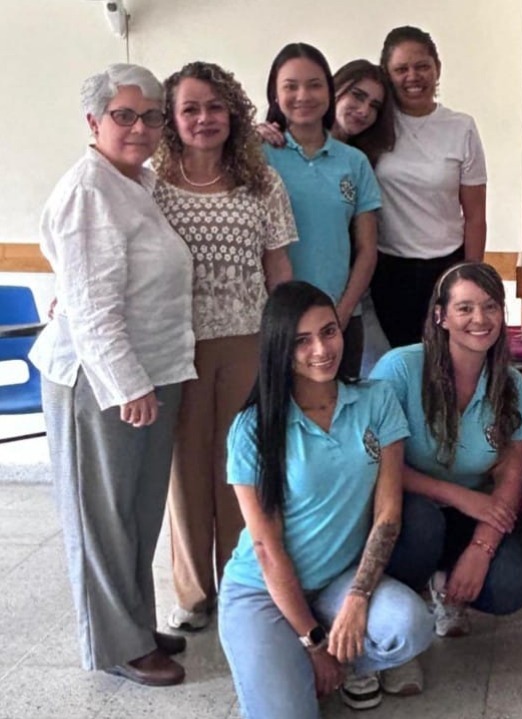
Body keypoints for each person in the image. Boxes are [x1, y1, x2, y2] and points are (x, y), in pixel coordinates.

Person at [30, 63, 196, 686]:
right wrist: (126, 384)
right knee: (102, 518)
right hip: (99, 383)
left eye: (152, 116)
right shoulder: (88, 191)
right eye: (124, 115)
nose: (140, 127)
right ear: (94, 121)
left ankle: (131, 619)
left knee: (135, 513)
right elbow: (94, 307)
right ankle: (117, 644)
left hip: (150, 371)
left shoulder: (139, 183)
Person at [218, 281, 433, 717]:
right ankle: (299, 662)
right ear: (281, 348)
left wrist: (357, 598)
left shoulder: (376, 400)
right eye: (302, 340)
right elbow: (264, 548)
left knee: (412, 626)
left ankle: (340, 660)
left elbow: (388, 514)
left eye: (329, 331)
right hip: (263, 591)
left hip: (337, 580)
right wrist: (315, 645)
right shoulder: (253, 429)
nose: (322, 349)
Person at [151, 61, 297, 633]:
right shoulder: (151, 186)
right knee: (184, 470)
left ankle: (244, 579)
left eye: (215, 106)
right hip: (174, 343)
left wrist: (285, 344)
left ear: (232, 113)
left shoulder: (262, 181)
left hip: (248, 339)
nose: (204, 118)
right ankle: (193, 593)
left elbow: (279, 267)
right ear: (172, 118)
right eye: (190, 108)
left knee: (241, 464)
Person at [371, 262, 522, 643]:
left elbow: (511, 475)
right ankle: (398, 617)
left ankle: (444, 586)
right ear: (441, 316)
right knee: (424, 523)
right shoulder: (399, 369)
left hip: (469, 514)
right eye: (465, 308)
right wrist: (460, 496)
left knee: (513, 584)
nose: (481, 318)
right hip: (405, 508)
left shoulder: (511, 383)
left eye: (491, 307)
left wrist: (481, 547)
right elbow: (375, 463)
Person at [259, 58, 396, 377]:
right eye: (291, 86)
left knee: (342, 411)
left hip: (342, 315)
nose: (364, 110)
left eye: (373, 105)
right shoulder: (261, 153)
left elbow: (366, 249)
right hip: (277, 318)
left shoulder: (355, 161)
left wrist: (342, 313)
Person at [371, 26, 488, 348]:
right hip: (388, 268)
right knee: (399, 362)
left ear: (437, 68)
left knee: (448, 363)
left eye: (422, 66)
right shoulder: (373, 123)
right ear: (387, 75)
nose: (413, 76)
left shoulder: (461, 126)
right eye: (401, 69)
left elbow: (475, 215)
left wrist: (472, 277)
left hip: (448, 266)